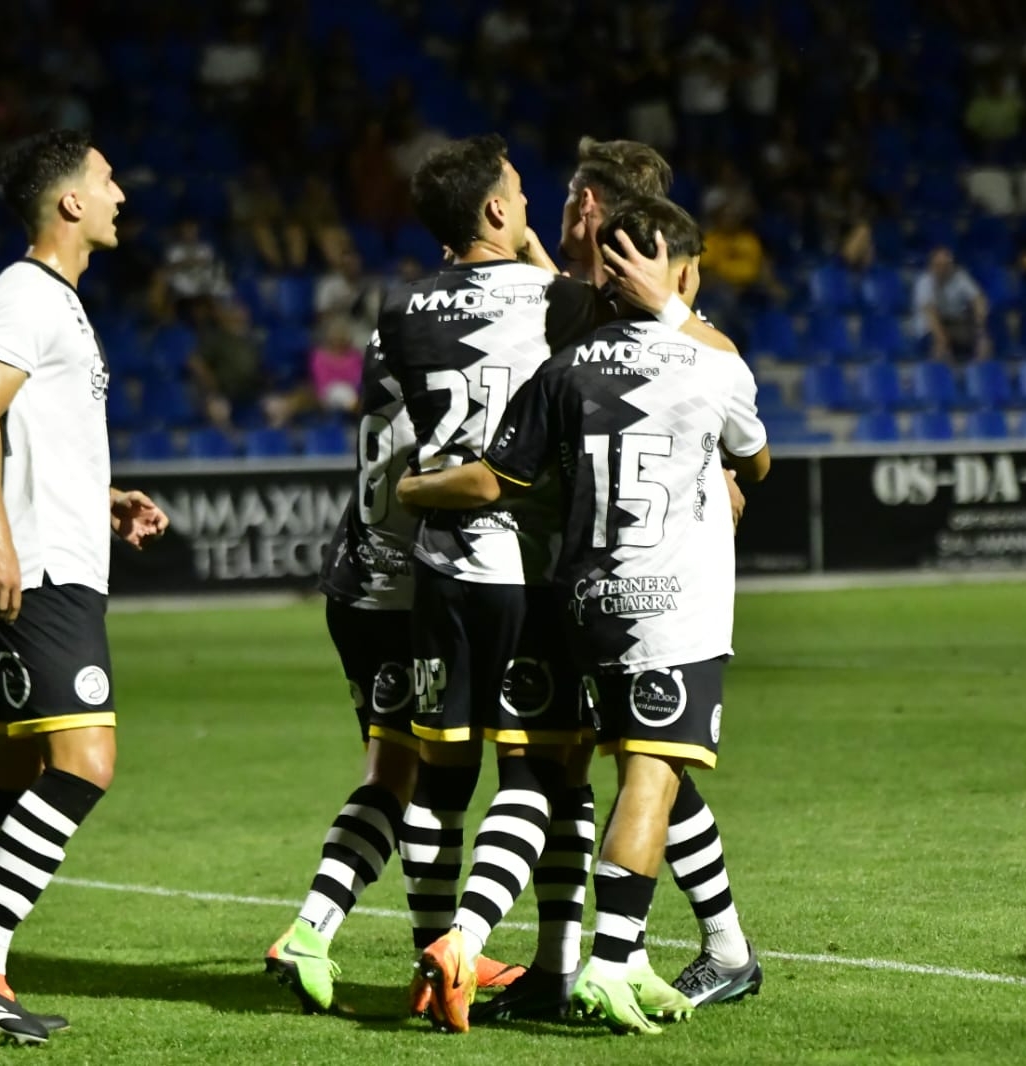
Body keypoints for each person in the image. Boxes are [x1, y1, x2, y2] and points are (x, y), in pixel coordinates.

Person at [398, 197, 771, 1034]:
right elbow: (757, 456)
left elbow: (505, 477)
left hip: (579, 599)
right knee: (649, 779)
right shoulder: (711, 362)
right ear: (678, 269)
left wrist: (414, 487)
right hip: (670, 606)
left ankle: (596, 954)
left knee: (575, 779)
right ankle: (608, 962)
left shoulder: (562, 369)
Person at [0, 129, 169, 1045]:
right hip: (38, 570)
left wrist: (102, 497)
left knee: (13, 770)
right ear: (69, 201)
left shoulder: (60, 305)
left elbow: (28, 436)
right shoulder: (22, 296)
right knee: (85, 763)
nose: (118, 195)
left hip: (60, 552)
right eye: (107, 181)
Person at [380, 134, 618, 1035]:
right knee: (545, 769)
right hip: (527, 571)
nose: (525, 205)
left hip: (438, 569)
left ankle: (429, 950)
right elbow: (599, 329)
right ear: (493, 212)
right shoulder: (559, 303)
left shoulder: (396, 311)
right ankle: (486, 953)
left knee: (442, 779)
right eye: (516, 195)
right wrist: (549, 257)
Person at [263, 330, 524, 1014]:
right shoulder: (480, 334)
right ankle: (317, 934)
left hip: (359, 578)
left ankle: (434, 953)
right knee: (429, 777)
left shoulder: (398, 329)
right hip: (414, 589)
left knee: (396, 773)